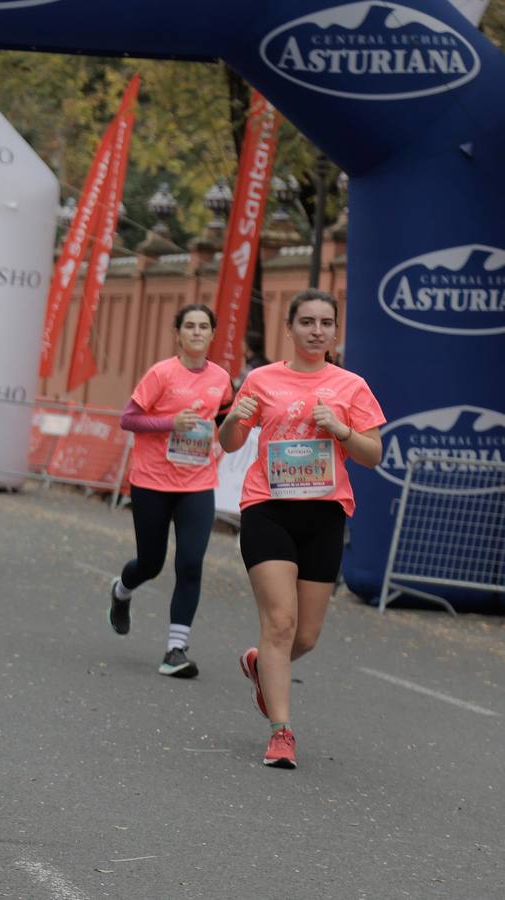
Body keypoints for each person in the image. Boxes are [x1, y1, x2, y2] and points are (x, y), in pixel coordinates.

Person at [219, 289, 384, 770]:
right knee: (281, 623)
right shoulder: (261, 379)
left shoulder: (351, 386)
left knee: (306, 637)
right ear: (288, 329)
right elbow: (229, 444)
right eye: (307, 322)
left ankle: (258, 665)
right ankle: (281, 732)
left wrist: (341, 429)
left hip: (324, 513)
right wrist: (235, 419)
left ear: (336, 331)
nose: (317, 331)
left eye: (326, 323)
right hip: (268, 507)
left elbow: (372, 455)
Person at [109, 304, 233, 678]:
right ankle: (121, 590)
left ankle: (175, 650)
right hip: (152, 481)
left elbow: (225, 422)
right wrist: (170, 422)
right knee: (151, 562)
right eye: (190, 326)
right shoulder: (161, 374)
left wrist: (229, 439)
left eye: (204, 327)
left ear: (213, 334)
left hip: (197, 482)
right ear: (177, 333)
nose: (197, 332)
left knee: (191, 563)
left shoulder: (221, 378)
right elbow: (128, 418)